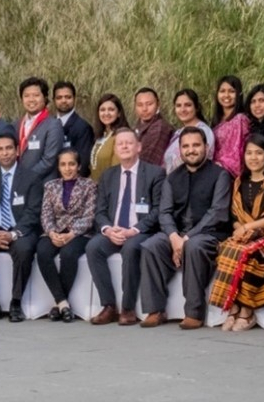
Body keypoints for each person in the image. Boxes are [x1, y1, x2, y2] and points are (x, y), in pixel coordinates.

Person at [139, 127, 229, 330]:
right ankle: (155, 310)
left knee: (194, 246)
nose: (191, 150)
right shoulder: (172, 178)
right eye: (186, 146)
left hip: (208, 234)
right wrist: (173, 236)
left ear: (206, 147)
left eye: (196, 145)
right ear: (179, 150)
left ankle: (194, 313)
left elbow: (217, 212)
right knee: (151, 246)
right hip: (176, 233)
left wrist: (186, 238)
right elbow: (165, 212)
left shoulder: (220, 175)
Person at [87, 128, 166, 326]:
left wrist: (134, 230)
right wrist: (107, 229)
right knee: (93, 247)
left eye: (129, 142)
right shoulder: (108, 175)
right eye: (120, 143)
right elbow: (100, 211)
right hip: (113, 231)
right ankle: (108, 305)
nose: (124, 146)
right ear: (115, 149)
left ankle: (128, 308)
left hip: (140, 231)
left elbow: (158, 210)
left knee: (131, 249)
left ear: (138, 146)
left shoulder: (155, 173)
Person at [208, 135, 264, 332]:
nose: (253, 157)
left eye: (259, 153)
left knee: (249, 253)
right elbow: (233, 214)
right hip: (243, 234)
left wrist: (248, 228)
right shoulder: (239, 181)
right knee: (226, 248)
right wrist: (240, 229)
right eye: (249, 153)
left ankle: (247, 311)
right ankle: (233, 307)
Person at [0, 132, 44, 323]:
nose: (5, 153)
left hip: (20, 231)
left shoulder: (32, 178)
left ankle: (16, 302)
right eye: (0, 149)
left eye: (9, 148)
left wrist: (12, 234)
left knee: (24, 248)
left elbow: (32, 213)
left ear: (17, 151)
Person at [36, 149, 96, 322]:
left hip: (79, 233)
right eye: (63, 164)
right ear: (58, 167)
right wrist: (52, 233)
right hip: (55, 231)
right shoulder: (50, 186)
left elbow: (89, 216)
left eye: (71, 164)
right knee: (43, 252)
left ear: (78, 166)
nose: (67, 168)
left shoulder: (89, 185)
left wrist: (72, 234)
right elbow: (46, 214)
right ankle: (62, 302)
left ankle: (57, 305)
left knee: (68, 254)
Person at [17, 77, 64, 182]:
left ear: (45, 98)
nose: (31, 99)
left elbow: (49, 160)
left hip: (42, 185)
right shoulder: (16, 124)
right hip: (19, 186)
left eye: (36, 95)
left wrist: (26, 178)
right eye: (26, 96)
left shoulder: (53, 124)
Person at [163, 89, 216, 173]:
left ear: (196, 107)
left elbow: (199, 161)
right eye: (178, 105)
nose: (183, 109)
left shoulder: (203, 131)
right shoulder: (177, 133)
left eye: (187, 105)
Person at [53, 82, 96, 178]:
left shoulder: (83, 127)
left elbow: (84, 163)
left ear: (74, 99)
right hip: (52, 183)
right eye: (59, 97)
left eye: (68, 97)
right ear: (54, 100)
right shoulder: (50, 124)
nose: (64, 100)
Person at [211, 76, 251, 178]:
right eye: (222, 91)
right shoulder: (216, 121)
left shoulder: (240, 119)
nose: (226, 95)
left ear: (239, 94)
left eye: (231, 91)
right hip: (213, 171)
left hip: (228, 174)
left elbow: (237, 152)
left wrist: (219, 165)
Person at [89, 93, 131, 180]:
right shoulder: (101, 135)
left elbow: (117, 170)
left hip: (111, 188)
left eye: (111, 109)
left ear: (119, 113)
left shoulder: (122, 136)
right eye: (102, 110)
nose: (106, 113)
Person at [133, 87, 174, 167]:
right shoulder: (137, 127)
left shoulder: (160, 127)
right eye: (140, 105)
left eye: (149, 104)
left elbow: (148, 161)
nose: (144, 109)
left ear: (158, 104)